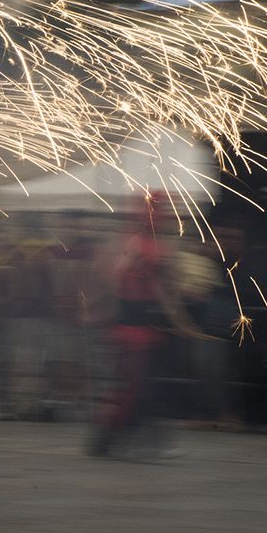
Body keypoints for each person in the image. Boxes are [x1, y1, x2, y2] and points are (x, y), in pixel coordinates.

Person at [87, 193, 198, 458]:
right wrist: (182, 323)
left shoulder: (130, 243)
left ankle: (116, 438)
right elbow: (162, 292)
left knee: (135, 385)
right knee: (135, 385)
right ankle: (109, 438)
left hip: (131, 325)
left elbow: (110, 280)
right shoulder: (149, 248)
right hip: (136, 327)